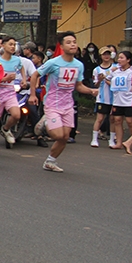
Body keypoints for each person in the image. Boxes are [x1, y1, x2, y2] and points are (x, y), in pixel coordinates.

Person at [30, 32, 98, 172]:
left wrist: (91, 91)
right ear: (61, 46)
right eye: (68, 42)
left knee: (65, 137)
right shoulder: (53, 62)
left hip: (68, 105)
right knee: (57, 135)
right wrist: (32, 94)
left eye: (74, 42)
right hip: (52, 104)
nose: (72, 44)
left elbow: (78, 86)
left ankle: (50, 161)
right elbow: (35, 74)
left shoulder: (79, 65)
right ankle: (46, 122)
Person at [0, 36, 27, 146]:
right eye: (10, 44)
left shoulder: (17, 60)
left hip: (10, 91)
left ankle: (6, 129)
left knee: (17, 115)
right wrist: (5, 79)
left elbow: (21, 67)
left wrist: (24, 79)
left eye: (14, 45)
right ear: (3, 46)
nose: (13, 47)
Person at [106, 51, 132, 151]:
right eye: (118, 58)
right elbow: (107, 78)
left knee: (130, 121)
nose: (119, 60)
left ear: (128, 60)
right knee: (117, 121)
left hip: (129, 100)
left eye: (122, 58)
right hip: (117, 100)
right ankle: (118, 142)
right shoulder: (116, 71)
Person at [91, 46, 115, 147]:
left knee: (113, 119)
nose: (106, 56)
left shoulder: (115, 68)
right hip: (102, 97)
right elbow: (95, 84)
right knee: (100, 118)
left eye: (108, 54)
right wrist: (100, 80)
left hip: (114, 98)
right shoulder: (96, 69)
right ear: (101, 56)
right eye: (104, 54)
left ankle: (112, 140)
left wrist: (107, 80)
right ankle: (94, 139)